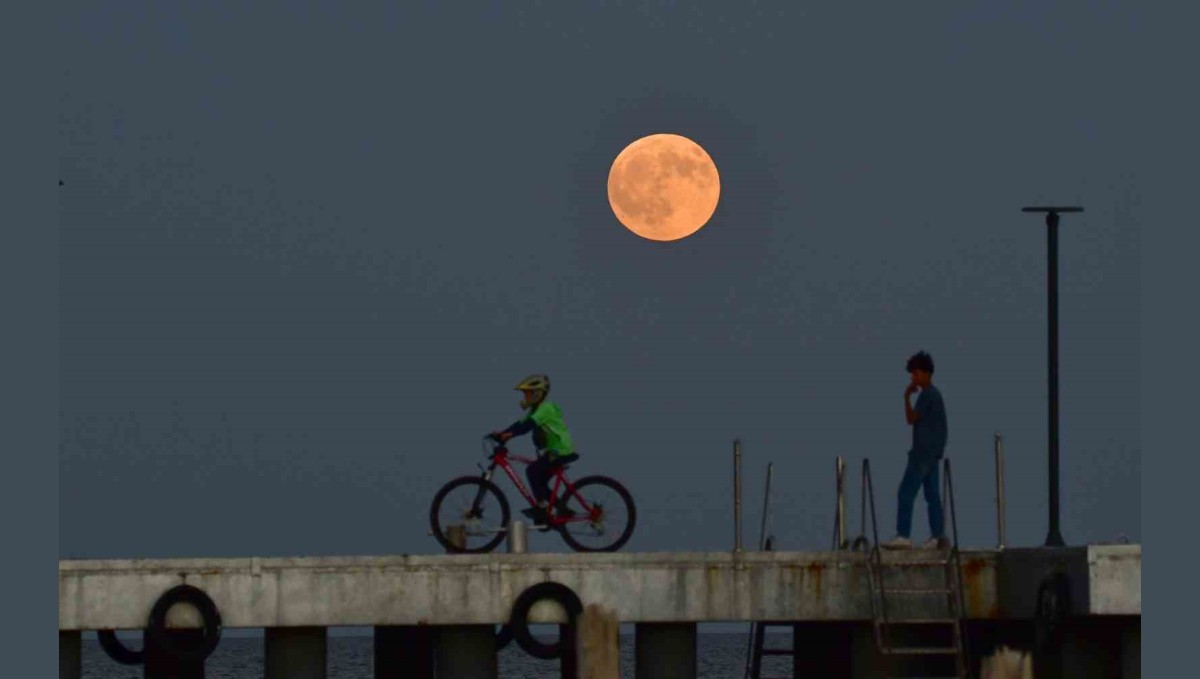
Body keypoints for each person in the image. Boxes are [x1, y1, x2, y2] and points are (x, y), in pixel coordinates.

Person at [882, 351, 949, 550]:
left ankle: (903, 535)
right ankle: (937, 536)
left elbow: (911, 419)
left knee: (906, 492)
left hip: (922, 454)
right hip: (933, 454)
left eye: (915, 373)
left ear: (925, 373)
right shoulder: (935, 395)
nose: (913, 378)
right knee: (932, 496)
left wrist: (905, 397)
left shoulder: (927, 395)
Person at [490, 373, 577, 527]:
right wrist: (503, 433)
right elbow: (519, 424)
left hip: (560, 450)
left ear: (537, 393)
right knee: (539, 481)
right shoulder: (535, 410)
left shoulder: (545, 408)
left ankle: (547, 508)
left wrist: (509, 435)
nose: (525, 397)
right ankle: (552, 510)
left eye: (527, 393)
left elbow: (527, 426)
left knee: (532, 471)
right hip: (553, 451)